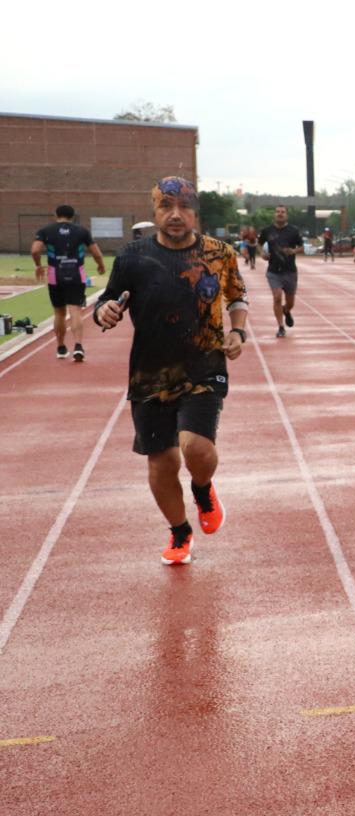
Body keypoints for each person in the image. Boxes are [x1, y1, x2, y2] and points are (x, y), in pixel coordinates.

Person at [92, 177, 248, 566]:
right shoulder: (132, 257)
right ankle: (180, 532)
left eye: (184, 206)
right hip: (150, 374)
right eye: (166, 206)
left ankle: (203, 488)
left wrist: (239, 330)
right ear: (155, 211)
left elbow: (236, 296)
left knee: (195, 446)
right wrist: (104, 311)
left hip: (205, 364)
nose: (175, 214)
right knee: (161, 462)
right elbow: (109, 299)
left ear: (195, 212)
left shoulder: (220, 253)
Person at [31, 204, 106, 362]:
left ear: (55, 214)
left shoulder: (45, 231)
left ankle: (61, 347)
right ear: (72, 216)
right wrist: (100, 265)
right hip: (76, 275)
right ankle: (78, 346)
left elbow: (35, 250)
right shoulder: (82, 231)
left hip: (54, 276)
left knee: (59, 313)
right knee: (75, 311)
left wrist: (38, 265)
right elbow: (96, 252)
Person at [259, 206, 304, 339]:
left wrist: (293, 251)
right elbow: (259, 243)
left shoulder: (293, 231)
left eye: (282, 212)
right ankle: (280, 327)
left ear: (286, 215)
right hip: (274, 271)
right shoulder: (267, 231)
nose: (280, 214)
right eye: (278, 212)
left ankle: (286, 310)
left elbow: (302, 247)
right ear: (274, 214)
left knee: (290, 303)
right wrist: (262, 253)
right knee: (277, 297)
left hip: (290, 271)